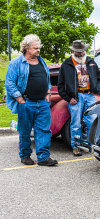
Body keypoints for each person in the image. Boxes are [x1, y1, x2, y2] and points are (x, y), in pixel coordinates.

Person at [5, 34, 58, 166]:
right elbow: (9, 83)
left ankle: (43, 157)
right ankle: (25, 155)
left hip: (42, 102)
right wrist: (19, 99)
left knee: (44, 130)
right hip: (26, 102)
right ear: (27, 48)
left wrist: (48, 92)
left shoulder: (41, 61)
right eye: (35, 48)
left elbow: (47, 78)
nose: (38, 50)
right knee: (25, 130)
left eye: (39, 48)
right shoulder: (16, 63)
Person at [58, 40, 100, 156]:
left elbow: (99, 78)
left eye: (82, 51)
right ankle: (76, 146)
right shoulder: (67, 64)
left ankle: (90, 145)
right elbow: (61, 84)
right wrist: (68, 98)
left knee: (92, 121)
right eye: (78, 52)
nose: (81, 53)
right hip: (75, 97)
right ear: (73, 51)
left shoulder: (91, 62)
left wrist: (96, 89)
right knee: (75, 122)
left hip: (89, 95)